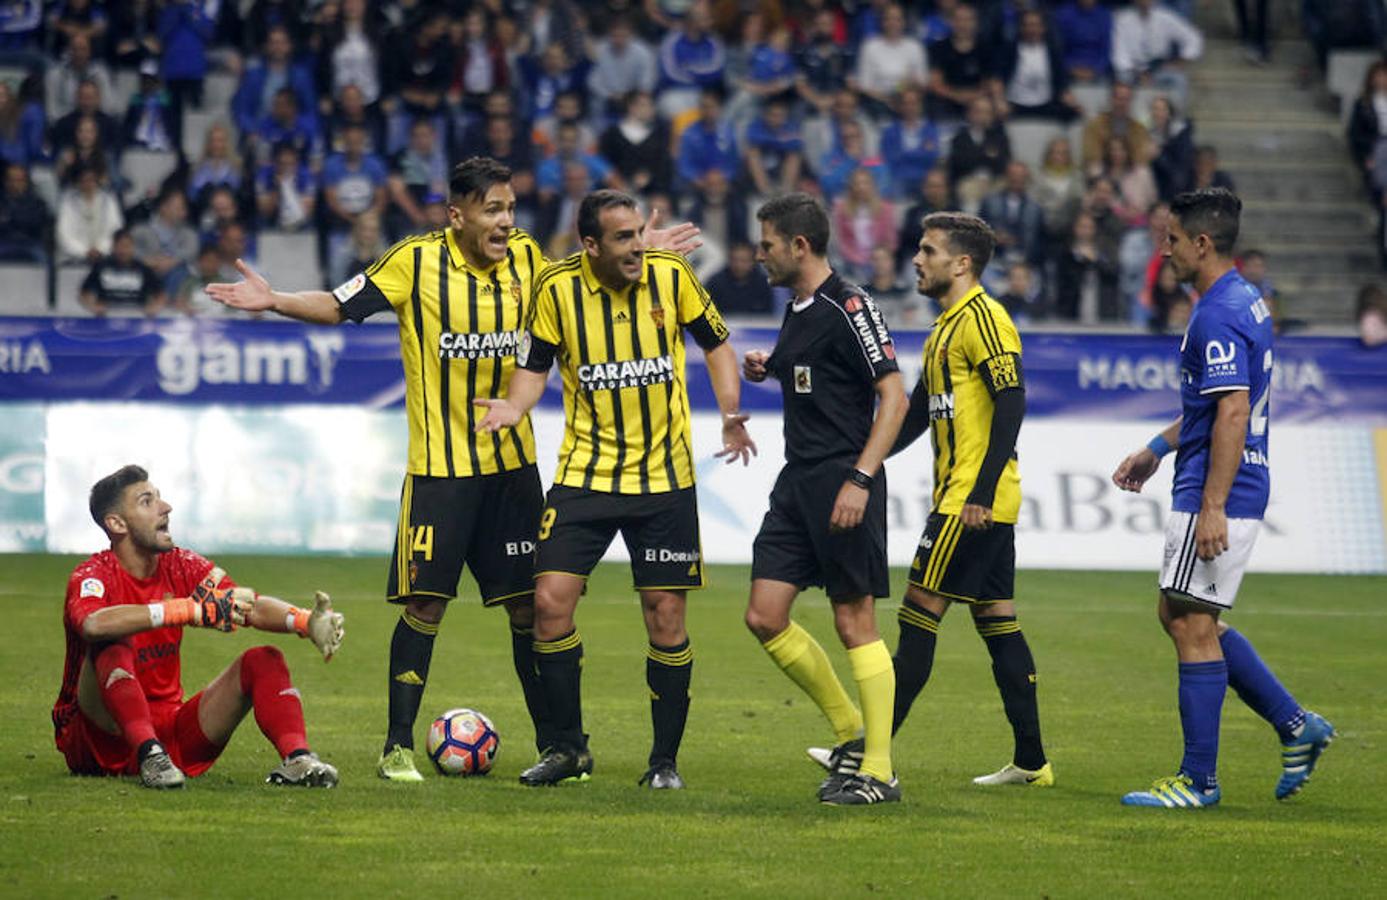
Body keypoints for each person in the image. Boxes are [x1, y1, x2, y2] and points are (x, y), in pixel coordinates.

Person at [207, 159, 698, 784]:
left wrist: (641, 248)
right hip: (440, 473)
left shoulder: (528, 260)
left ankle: (560, 747)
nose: (506, 222)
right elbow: (337, 305)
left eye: (511, 208)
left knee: (531, 610)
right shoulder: (413, 262)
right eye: (493, 209)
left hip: (514, 473)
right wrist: (275, 299)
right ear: (457, 213)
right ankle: (396, 747)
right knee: (425, 606)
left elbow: (585, 272)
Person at [475, 189, 754, 790]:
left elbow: (717, 344)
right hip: (586, 476)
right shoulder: (556, 291)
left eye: (639, 234)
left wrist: (731, 410)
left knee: (665, 616)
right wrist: (512, 407)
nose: (637, 247)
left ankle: (663, 763)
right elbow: (532, 372)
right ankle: (569, 750)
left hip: (664, 480)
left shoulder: (671, 276)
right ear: (590, 245)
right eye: (623, 238)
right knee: (547, 603)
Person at [1111, 188, 1334, 808]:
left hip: (1220, 487)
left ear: (1202, 243)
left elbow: (1233, 410)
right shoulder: (1245, 302)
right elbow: (1213, 404)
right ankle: (1296, 726)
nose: (1166, 250)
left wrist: (1212, 505)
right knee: (1184, 615)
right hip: (1224, 480)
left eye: (1173, 240)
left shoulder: (1216, 313)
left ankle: (1199, 780)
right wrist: (1157, 445)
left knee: (1188, 622)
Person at [861, 211, 1054, 788]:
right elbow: (919, 414)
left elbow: (1012, 401)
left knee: (919, 612)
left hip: (970, 500)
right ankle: (1031, 762)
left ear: (962, 263)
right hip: (972, 496)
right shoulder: (946, 326)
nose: (916, 260)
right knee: (998, 621)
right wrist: (864, 464)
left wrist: (983, 490)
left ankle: (867, 751)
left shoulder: (987, 320)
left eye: (927, 250)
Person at [741, 193, 907, 806]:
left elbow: (894, 398)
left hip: (844, 479)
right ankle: (849, 737)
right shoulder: (800, 309)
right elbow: (814, 375)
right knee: (764, 614)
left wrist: (861, 479)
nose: (760, 256)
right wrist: (772, 367)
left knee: (852, 619)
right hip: (797, 482)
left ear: (799, 246)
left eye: (767, 245)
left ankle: (880, 772)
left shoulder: (852, 306)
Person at [53, 464, 344, 789]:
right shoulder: (93, 575)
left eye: (160, 498)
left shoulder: (180, 564)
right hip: (96, 740)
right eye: (147, 501)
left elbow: (245, 603)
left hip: (171, 732)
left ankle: (298, 760)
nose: (166, 507)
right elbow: (93, 624)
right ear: (116, 523)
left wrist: (303, 621)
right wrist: (185, 609)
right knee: (112, 640)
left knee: (264, 659)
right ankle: (149, 753)